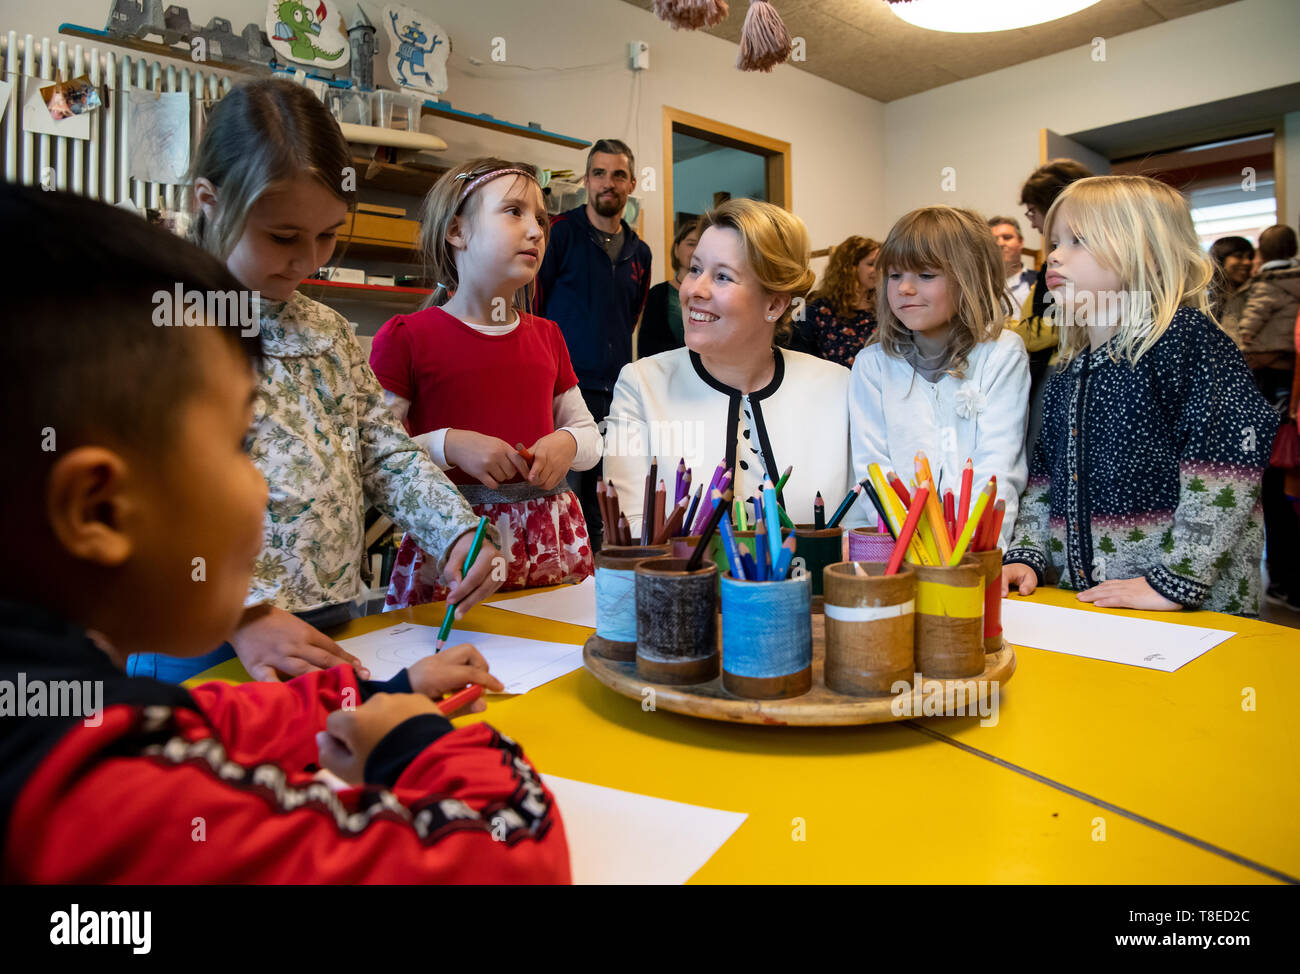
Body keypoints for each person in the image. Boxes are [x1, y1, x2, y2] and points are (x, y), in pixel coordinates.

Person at [0, 184, 569, 882]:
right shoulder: (115, 804)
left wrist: (375, 693)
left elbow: (202, 719)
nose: (266, 484)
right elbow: (510, 854)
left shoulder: (55, 714)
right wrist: (412, 740)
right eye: (240, 443)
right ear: (99, 511)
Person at [128, 79, 503, 683]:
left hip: (331, 621)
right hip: (197, 635)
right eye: (282, 237)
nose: (309, 260)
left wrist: (456, 532)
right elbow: (135, 501)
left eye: (328, 233)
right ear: (209, 200)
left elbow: (384, 455)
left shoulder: (325, 330)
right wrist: (242, 614)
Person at [1003, 175, 1277, 616]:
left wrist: (1175, 582)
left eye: (1078, 240)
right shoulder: (1070, 367)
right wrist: (1027, 554)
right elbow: (1044, 479)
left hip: (1190, 613)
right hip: (1093, 605)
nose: (1053, 254)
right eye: (1055, 241)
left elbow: (1226, 468)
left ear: (1146, 253)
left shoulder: (1186, 340)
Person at [370, 159, 600, 609]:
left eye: (540, 218)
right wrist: (448, 444)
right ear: (457, 231)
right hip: (458, 547)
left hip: (552, 543)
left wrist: (568, 443)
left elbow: (591, 435)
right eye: (514, 211)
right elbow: (377, 457)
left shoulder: (548, 336)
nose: (536, 230)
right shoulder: (407, 338)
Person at [604, 198, 855, 538]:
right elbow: (631, 536)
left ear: (775, 303)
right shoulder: (642, 385)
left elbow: (861, 532)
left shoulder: (838, 387)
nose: (694, 290)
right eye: (695, 269)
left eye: (722, 276)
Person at [848, 206, 1029, 547]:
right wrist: (913, 547)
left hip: (974, 553)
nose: (904, 288)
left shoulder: (1002, 353)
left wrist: (972, 551)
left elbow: (998, 467)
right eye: (895, 275)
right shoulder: (871, 365)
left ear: (971, 278)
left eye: (926, 276)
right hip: (899, 551)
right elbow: (873, 468)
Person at [536, 138, 653, 551]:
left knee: (608, 504)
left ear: (632, 183)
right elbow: (535, 305)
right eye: (599, 173)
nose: (608, 182)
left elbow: (631, 315)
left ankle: (604, 591)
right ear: (586, 180)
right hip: (565, 388)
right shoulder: (560, 233)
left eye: (618, 174)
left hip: (616, 391)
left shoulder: (641, 252)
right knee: (562, 501)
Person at [1230, 224, 1300, 610]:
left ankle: (1282, 579)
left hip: (1269, 381)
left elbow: (1246, 332)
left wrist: (1246, 349)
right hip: (1293, 381)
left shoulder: (1267, 286)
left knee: (1272, 474)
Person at [1013, 159, 1093, 453]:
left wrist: (1005, 331)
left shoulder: (1062, 263)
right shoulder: (1056, 260)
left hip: (1061, 364)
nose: (1032, 222)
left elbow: (1054, 324)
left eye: (1033, 212)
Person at [789, 235, 881, 368]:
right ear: (850, 267)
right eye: (871, 264)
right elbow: (797, 351)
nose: (879, 270)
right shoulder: (818, 309)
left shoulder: (884, 308)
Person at [638, 219, 701, 358]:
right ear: (677, 249)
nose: (697, 251)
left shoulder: (715, 295)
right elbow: (646, 348)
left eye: (702, 245)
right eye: (691, 244)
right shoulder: (658, 294)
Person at [988, 216, 1037, 310]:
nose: (1000, 244)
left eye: (1007, 238)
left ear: (1021, 242)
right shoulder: (979, 286)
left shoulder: (1041, 282)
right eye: (993, 239)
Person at [1208, 235, 1255, 323]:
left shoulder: (1256, 296)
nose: (1247, 262)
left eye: (1250, 257)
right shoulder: (1208, 301)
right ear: (1220, 260)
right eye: (1239, 256)